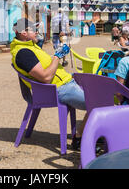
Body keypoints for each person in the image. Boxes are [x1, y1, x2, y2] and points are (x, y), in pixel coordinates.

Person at [10, 17, 88, 150]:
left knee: (103, 92)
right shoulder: (23, 53)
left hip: (66, 83)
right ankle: (79, 138)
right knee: (100, 103)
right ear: (23, 32)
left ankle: (93, 132)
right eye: (34, 29)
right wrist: (57, 56)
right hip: (60, 89)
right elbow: (45, 77)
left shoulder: (31, 47)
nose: (37, 32)